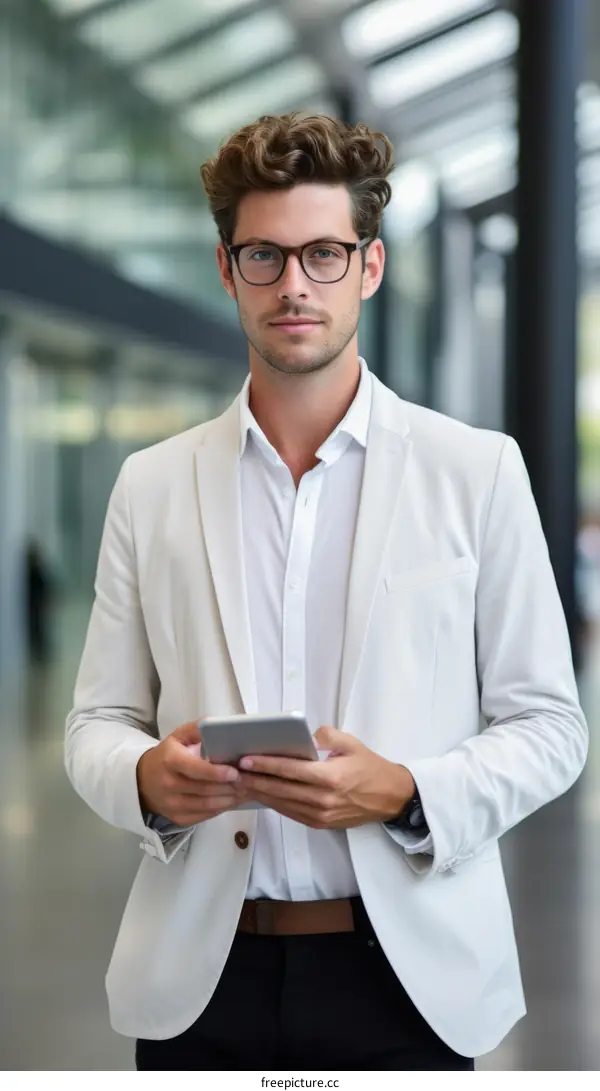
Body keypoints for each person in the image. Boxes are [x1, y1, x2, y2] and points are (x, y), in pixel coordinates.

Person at [64, 112, 588, 1072]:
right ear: (227, 271)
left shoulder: (476, 471)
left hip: (411, 976)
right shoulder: (152, 483)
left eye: (322, 253)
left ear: (370, 267)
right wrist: (147, 781)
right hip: (200, 982)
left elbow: (552, 726)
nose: (294, 284)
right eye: (263, 255)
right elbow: (96, 719)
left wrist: (407, 790)